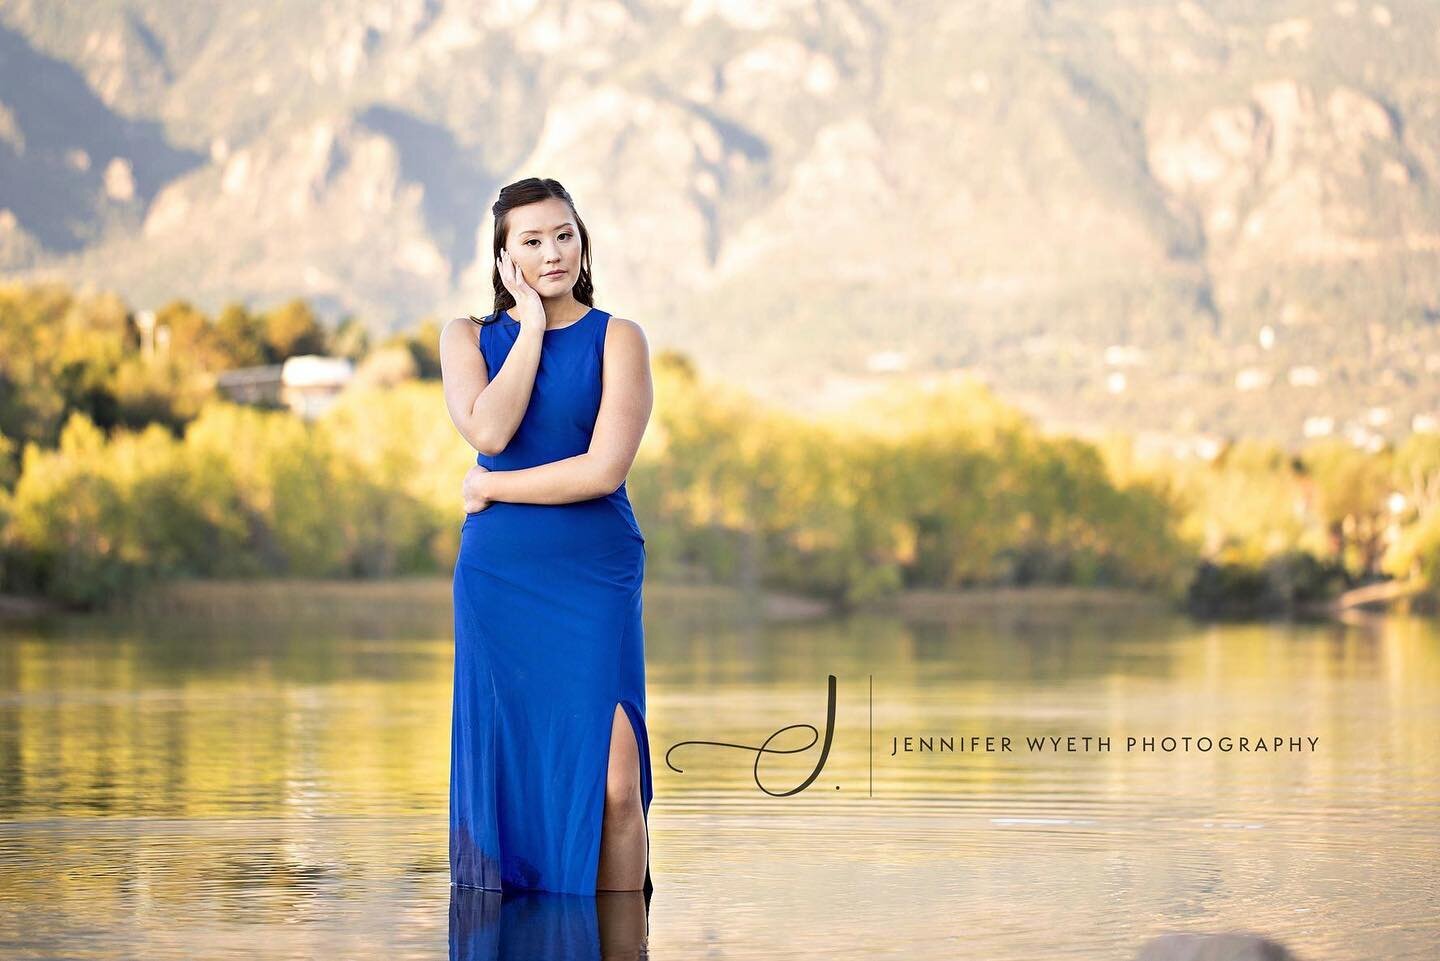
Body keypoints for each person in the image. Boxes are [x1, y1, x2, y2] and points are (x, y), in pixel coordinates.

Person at [438, 177, 655, 898]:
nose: (554, 252)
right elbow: (491, 431)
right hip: (500, 581)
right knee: (513, 771)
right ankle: (527, 931)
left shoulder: (619, 339)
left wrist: (493, 488)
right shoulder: (468, 338)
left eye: (564, 234)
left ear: (582, 240)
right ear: (504, 258)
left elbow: (603, 469)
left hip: (594, 577)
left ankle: (626, 940)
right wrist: (530, 328)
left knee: (616, 781)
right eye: (531, 241)